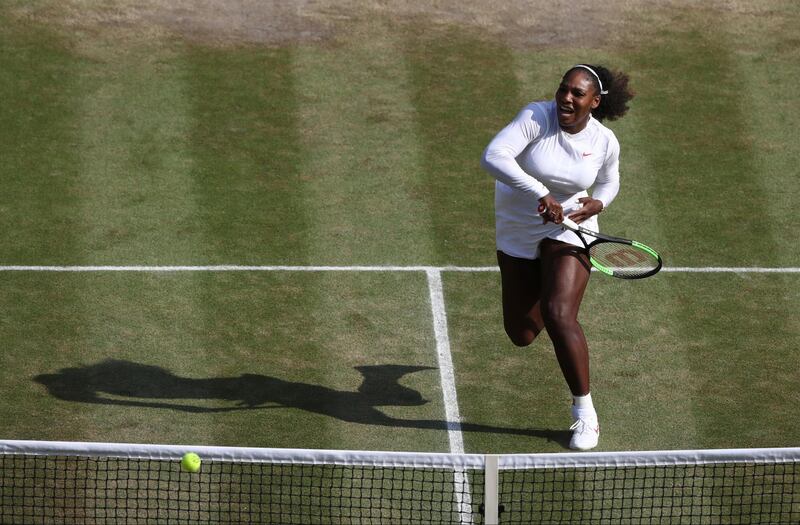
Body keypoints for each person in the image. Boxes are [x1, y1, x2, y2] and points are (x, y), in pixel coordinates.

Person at [480, 64, 634, 450]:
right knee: (522, 332)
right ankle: (545, 291)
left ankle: (585, 414)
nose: (566, 97)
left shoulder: (604, 141)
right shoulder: (535, 116)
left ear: (594, 103)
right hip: (518, 227)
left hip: (569, 228)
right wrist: (540, 194)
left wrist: (600, 201)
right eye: (563, 89)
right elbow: (493, 156)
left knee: (559, 313)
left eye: (576, 94)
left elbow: (610, 178)